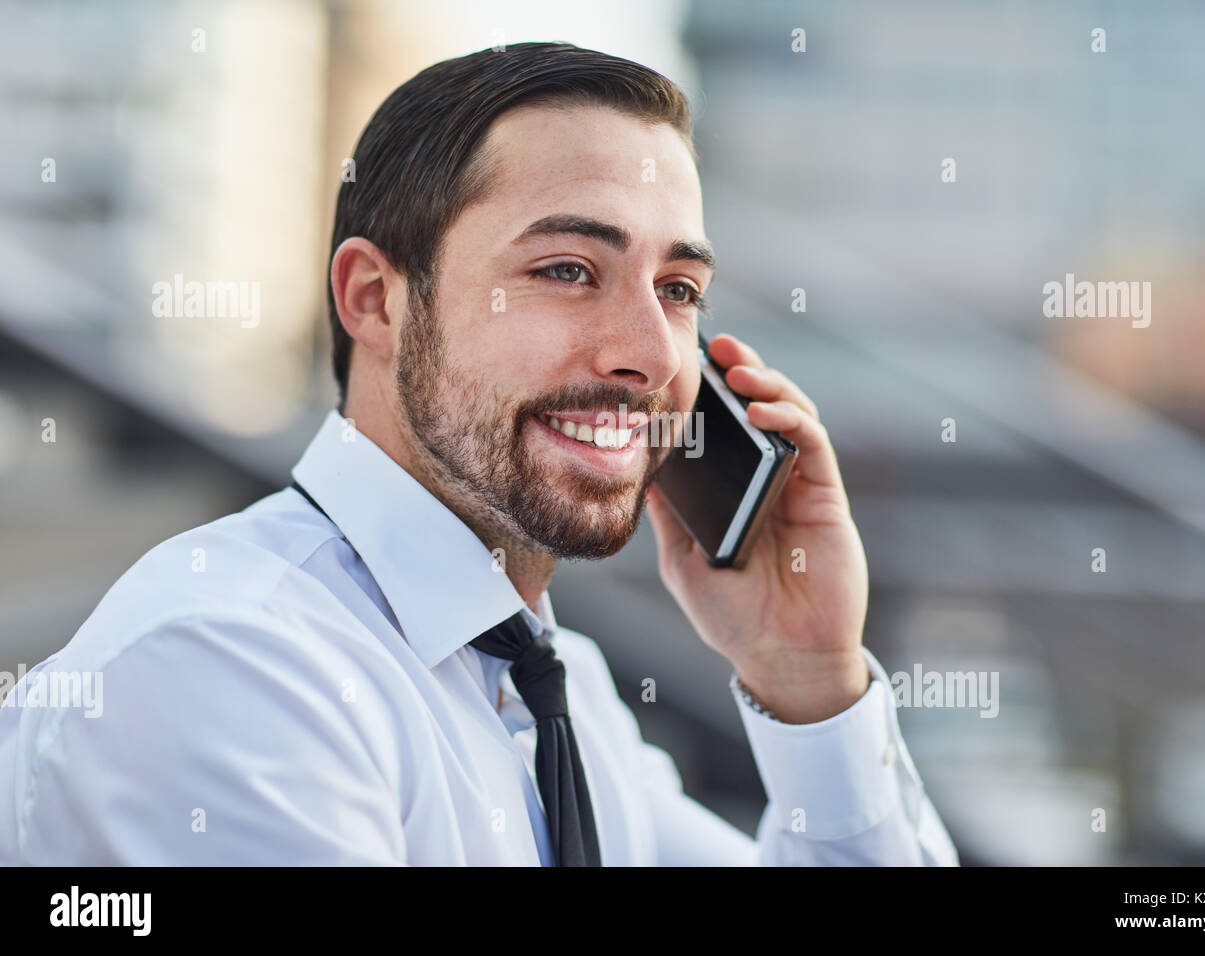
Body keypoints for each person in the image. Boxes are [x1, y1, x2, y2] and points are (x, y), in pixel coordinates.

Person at [0, 42, 958, 866]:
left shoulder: (562, 693)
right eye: (567, 270)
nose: (656, 353)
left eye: (677, 288)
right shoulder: (227, 664)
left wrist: (806, 679)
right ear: (375, 299)